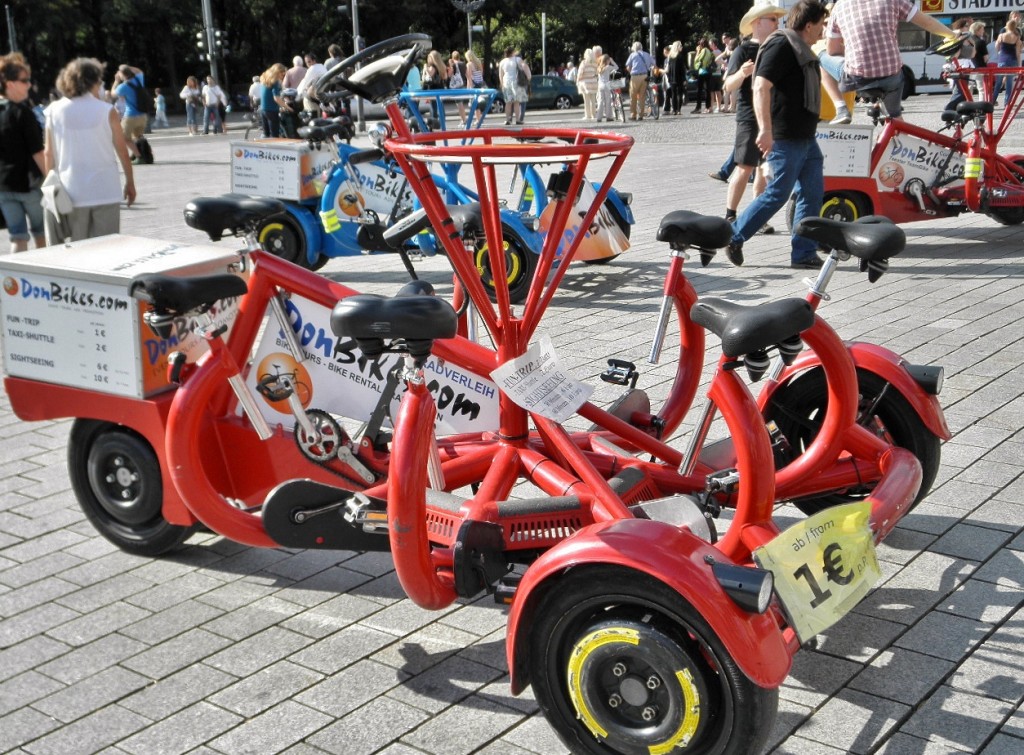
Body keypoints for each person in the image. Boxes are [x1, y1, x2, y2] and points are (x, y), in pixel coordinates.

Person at [726, 0, 829, 270]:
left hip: (806, 136)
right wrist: (766, 130)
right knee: (777, 193)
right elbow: (760, 87)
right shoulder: (782, 44)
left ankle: (804, 252)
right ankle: (733, 236)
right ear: (809, 25)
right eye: (821, 24)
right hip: (785, 136)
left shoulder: (801, 47)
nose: (823, 29)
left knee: (812, 193)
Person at [43, 58, 135, 244]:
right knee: (106, 249)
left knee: (78, 250)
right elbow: (122, 151)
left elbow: (48, 153)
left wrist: (49, 185)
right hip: (106, 189)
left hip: (71, 191)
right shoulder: (107, 110)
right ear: (93, 82)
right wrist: (130, 182)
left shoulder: (53, 110)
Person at [819, 0, 953, 123]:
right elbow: (928, 22)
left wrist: (854, 52)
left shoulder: (840, 6)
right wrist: (952, 35)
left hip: (858, 78)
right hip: (892, 76)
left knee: (821, 56)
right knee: (895, 117)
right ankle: (903, 144)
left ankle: (841, 108)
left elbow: (833, 50)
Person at [722, 1, 789, 237]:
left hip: (772, 118)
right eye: (773, 19)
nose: (777, 23)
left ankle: (756, 217)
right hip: (749, 118)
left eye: (777, 19)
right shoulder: (742, 51)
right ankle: (730, 215)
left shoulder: (778, 47)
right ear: (757, 23)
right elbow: (727, 85)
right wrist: (741, 73)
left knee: (764, 169)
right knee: (744, 166)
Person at [0, 53, 46, 252]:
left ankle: (16, 282)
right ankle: (46, 276)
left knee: (17, 236)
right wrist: (53, 176)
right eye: (25, 80)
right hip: (29, 184)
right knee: (41, 232)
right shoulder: (22, 112)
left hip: (3, 186)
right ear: (9, 84)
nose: (29, 85)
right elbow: (37, 152)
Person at [112, 64, 147, 162]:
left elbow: (112, 94)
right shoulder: (138, 80)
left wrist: (116, 81)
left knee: (124, 137)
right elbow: (140, 71)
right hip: (142, 115)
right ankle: (143, 154)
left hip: (131, 116)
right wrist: (126, 67)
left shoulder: (123, 86)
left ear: (122, 74)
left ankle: (139, 156)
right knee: (138, 136)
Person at [993, 18, 1021, 105]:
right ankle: (1007, 102)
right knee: (1009, 83)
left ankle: (992, 100)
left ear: (1007, 26)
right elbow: (1018, 53)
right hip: (1012, 60)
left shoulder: (1001, 36)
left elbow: (996, 47)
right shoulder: (1017, 37)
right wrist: (1019, 64)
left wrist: (999, 52)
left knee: (999, 81)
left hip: (1002, 60)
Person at [625, 41, 655, 120]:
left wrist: (631, 71)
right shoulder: (647, 54)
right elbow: (653, 64)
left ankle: (633, 114)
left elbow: (628, 67)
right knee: (642, 96)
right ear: (641, 47)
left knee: (633, 96)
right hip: (645, 76)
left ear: (634, 48)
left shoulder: (632, 55)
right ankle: (641, 115)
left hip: (635, 76)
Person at [499, 46, 529, 125]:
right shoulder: (517, 59)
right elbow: (524, 66)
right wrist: (529, 76)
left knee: (508, 103)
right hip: (516, 82)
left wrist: (502, 85)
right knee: (516, 103)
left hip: (506, 83)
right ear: (512, 52)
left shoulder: (502, 62)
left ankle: (508, 120)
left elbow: (500, 75)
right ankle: (518, 120)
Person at [259, 63, 290, 138]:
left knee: (266, 135)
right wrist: (287, 107)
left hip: (263, 109)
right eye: (282, 74)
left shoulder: (265, 78)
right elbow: (276, 98)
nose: (283, 76)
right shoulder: (275, 81)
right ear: (278, 72)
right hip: (271, 110)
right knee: (274, 136)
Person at [691, 38, 714, 113]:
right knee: (707, 90)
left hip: (702, 72)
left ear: (701, 44)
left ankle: (698, 108)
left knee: (699, 91)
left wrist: (697, 51)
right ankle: (708, 107)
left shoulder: (704, 50)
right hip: (708, 72)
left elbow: (696, 60)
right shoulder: (709, 51)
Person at [576, 48, 599, 121]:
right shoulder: (595, 63)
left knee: (586, 101)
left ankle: (587, 115)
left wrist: (577, 81)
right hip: (594, 83)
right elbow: (596, 73)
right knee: (593, 100)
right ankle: (594, 115)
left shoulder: (584, 63)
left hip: (585, 83)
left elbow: (580, 73)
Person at [596, 52, 618, 122]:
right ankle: (608, 117)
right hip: (606, 85)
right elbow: (617, 67)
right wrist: (612, 61)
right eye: (608, 60)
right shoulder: (608, 67)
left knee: (600, 101)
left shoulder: (599, 67)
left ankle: (599, 117)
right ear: (607, 60)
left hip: (600, 86)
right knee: (608, 101)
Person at [667, 41, 686, 114]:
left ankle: (674, 110)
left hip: (672, 78)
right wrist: (684, 78)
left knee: (673, 94)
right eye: (680, 46)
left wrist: (669, 77)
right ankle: (679, 110)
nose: (681, 47)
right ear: (677, 47)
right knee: (679, 94)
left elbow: (669, 69)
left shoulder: (670, 56)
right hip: (679, 78)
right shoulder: (680, 56)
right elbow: (682, 69)